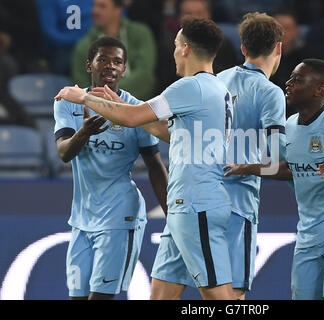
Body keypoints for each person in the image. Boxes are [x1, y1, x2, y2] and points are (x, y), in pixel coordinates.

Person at [55, 17, 236, 300]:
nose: (174, 52)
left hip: (197, 201)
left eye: (176, 45)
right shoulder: (215, 89)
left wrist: (84, 97)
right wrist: (122, 105)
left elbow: (131, 118)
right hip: (183, 203)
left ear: (186, 49)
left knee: (219, 297)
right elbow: (166, 131)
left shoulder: (188, 87)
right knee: (161, 294)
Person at [224, 59, 324, 300]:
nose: (288, 84)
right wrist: (248, 168)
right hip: (308, 231)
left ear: (319, 90)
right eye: (290, 78)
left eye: (298, 80)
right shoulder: (290, 125)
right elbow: (290, 169)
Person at [54, 36, 168, 300]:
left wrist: (172, 218)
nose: (110, 66)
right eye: (102, 59)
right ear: (89, 65)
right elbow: (63, 153)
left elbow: (155, 167)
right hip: (82, 219)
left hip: (120, 216)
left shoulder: (135, 110)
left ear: (124, 69)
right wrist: (84, 132)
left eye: (117, 61)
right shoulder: (68, 101)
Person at [217, 12, 286, 300]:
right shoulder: (270, 93)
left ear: (243, 48)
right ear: (279, 48)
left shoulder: (216, 80)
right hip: (238, 203)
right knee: (233, 295)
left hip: (205, 196)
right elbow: (278, 158)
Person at [72, 0, 158, 100]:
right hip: (101, 108)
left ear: (118, 9)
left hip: (141, 102)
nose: (94, 11)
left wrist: (109, 93)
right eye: (94, 6)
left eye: (102, 6)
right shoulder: (84, 45)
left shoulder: (140, 33)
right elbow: (82, 86)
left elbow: (145, 74)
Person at [156, 0, 239, 93]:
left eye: (199, 13)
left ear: (209, 15)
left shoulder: (223, 44)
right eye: (189, 13)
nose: (195, 18)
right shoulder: (168, 47)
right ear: (179, 16)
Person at [271, 8, 311, 118]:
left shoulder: (306, 59)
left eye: (287, 28)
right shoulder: (259, 57)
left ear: (296, 31)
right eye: (278, 28)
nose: (282, 33)